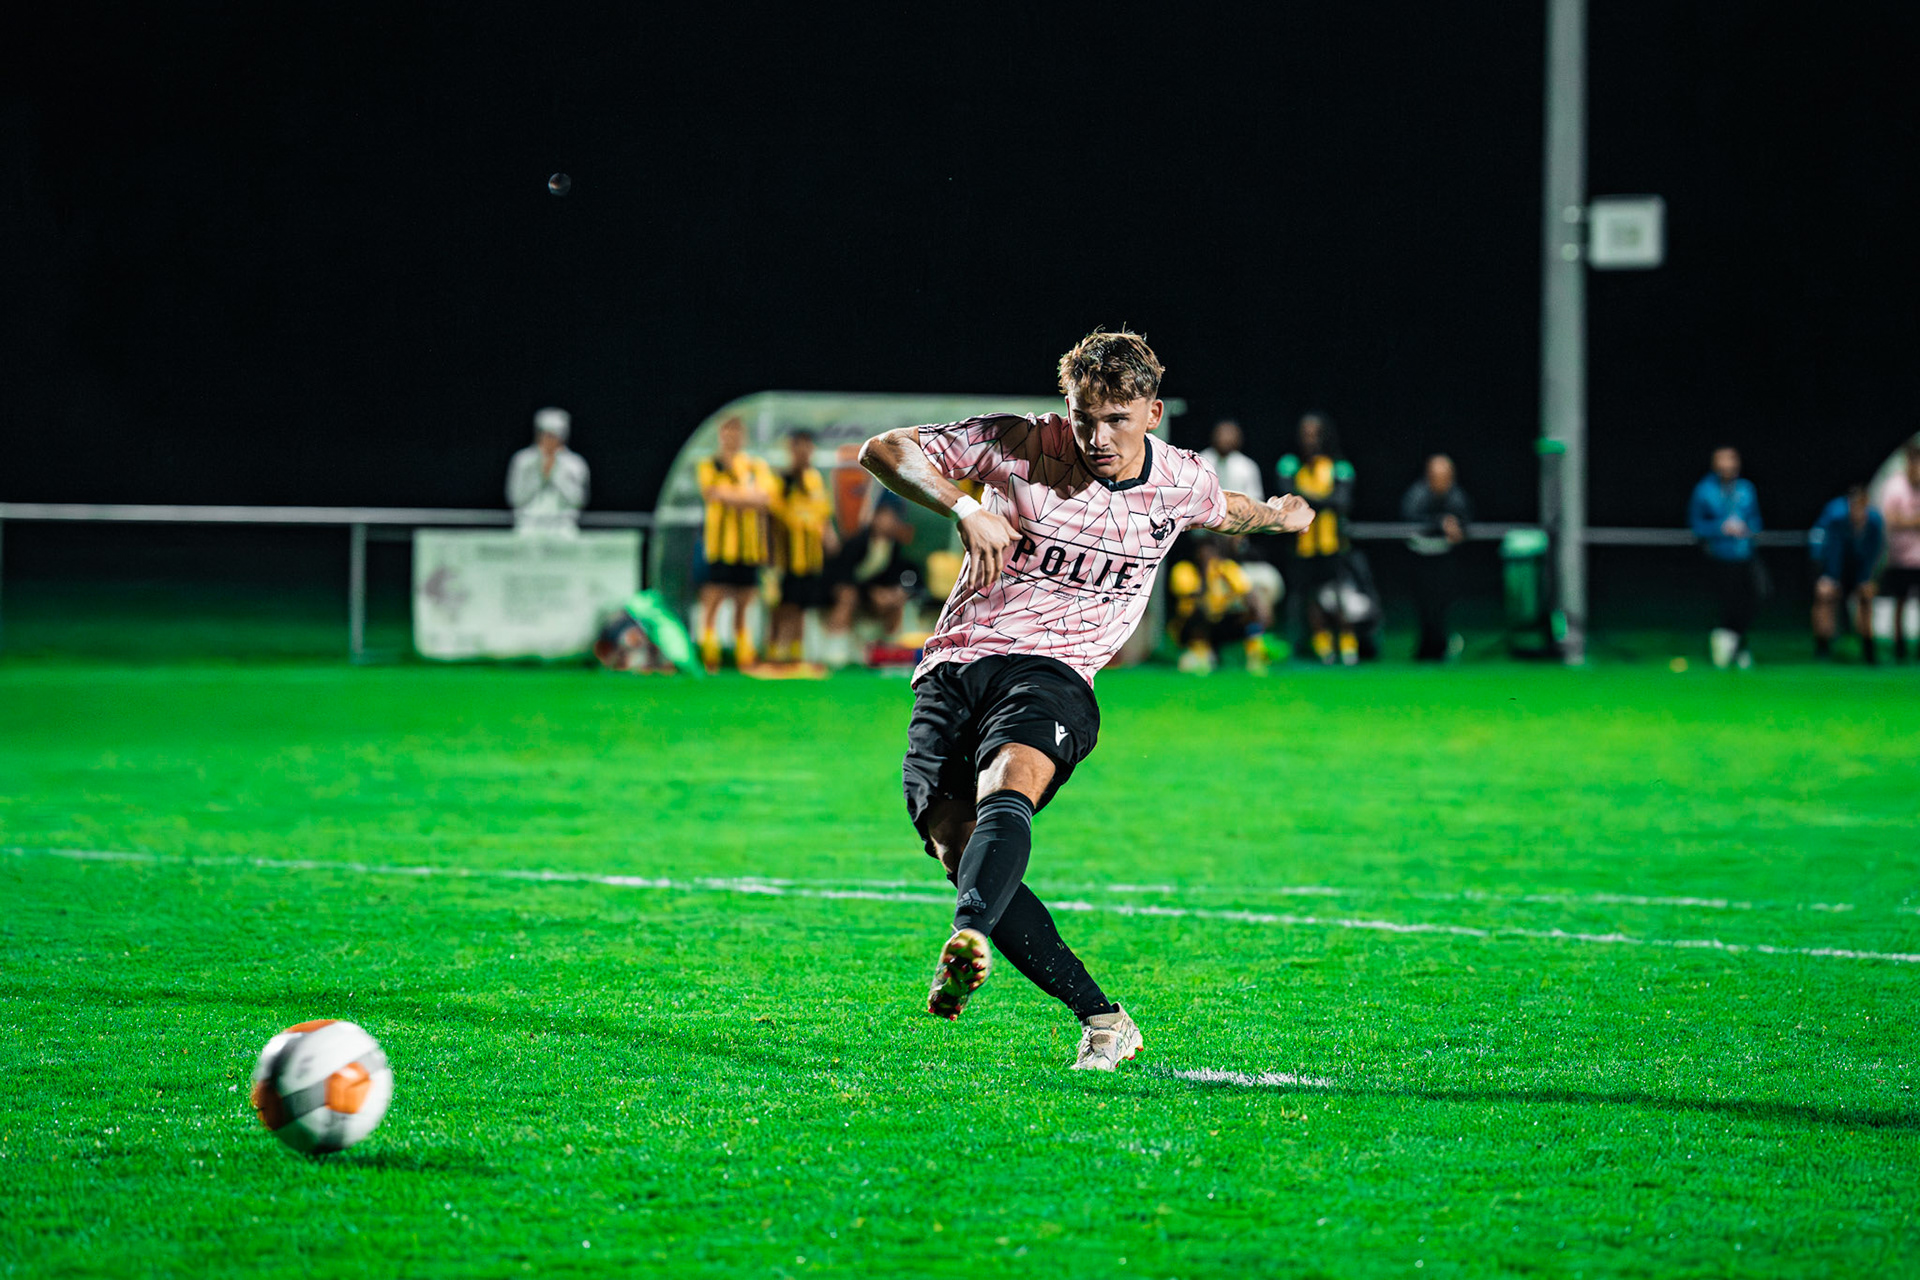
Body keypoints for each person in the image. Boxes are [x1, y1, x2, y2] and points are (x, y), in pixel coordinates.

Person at [856, 329, 1313, 1071]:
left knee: (1009, 782)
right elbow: (883, 449)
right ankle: (1103, 1019)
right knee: (954, 842)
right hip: (956, 663)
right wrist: (963, 508)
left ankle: (968, 935)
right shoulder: (1016, 442)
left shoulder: (1178, 479)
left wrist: (1281, 515)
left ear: (1153, 414)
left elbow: (1225, 508)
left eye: (1116, 421)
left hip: (1057, 671)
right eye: (1084, 418)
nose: (1097, 438)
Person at [694, 416, 775, 672]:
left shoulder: (755, 466)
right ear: (721, 435)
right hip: (720, 546)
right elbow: (713, 494)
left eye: (737, 432)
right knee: (713, 599)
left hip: (749, 547)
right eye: (728, 431)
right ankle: (709, 654)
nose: (732, 437)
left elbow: (766, 498)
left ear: (743, 436)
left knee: (744, 602)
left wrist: (732, 497)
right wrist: (747, 498)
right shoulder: (709, 465)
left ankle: (743, 656)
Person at [1276, 412, 1356, 663]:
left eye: (1315, 434)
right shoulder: (1289, 464)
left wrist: (1307, 501)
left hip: (1333, 545)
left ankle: (1347, 644)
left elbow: (1342, 501)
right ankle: (1312, 646)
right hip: (1301, 545)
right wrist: (1322, 501)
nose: (1310, 439)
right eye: (1305, 434)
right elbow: (1287, 498)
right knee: (1303, 598)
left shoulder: (1339, 466)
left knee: (1339, 596)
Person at [768, 430, 839, 669]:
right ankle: (776, 651)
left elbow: (822, 512)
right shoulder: (782, 479)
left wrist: (828, 536)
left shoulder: (814, 479)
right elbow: (774, 513)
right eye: (800, 447)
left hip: (810, 555)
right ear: (791, 449)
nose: (805, 452)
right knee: (784, 604)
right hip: (786, 554)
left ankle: (796, 653)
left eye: (809, 447)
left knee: (802, 605)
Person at [1687, 446, 1762, 669]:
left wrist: (1747, 528)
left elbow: (1756, 520)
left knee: (1761, 593)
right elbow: (1696, 525)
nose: (1728, 466)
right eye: (1723, 462)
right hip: (1720, 555)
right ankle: (1736, 648)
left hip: (1746, 552)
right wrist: (1721, 528)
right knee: (1731, 602)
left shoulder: (1746, 489)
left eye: (1732, 461)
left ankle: (1729, 639)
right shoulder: (1704, 490)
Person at [1401, 454, 1473, 661]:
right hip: (1420, 557)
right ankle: (1425, 648)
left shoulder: (1457, 496)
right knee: (1423, 605)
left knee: (1443, 604)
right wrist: (1440, 523)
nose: (1441, 481)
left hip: (1444, 558)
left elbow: (1465, 519)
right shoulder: (1417, 494)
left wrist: (1457, 527)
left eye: (1445, 476)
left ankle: (1441, 646)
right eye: (1436, 475)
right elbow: (1409, 518)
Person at [824, 496, 921, 647]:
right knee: (847, 598)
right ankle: (835, 647)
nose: (889, 521)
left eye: (894, 517)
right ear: (875, 516)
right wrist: (870, 591)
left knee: (896, 603)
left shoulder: (894, 546)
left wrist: (889, 593)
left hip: (871, 590)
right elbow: (843, 573)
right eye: (885, 516)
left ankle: (889, 647)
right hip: (849, 586)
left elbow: (894, 574)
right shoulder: (858, 541)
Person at [1169, 536, 1270, 674]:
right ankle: (1200, 654)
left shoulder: (1226, 568)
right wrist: (1205, 575)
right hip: (1191, 626)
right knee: (1200, 612)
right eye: (1202, 552)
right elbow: (1195, 601)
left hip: (1220, 621)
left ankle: (1256, 655)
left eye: (1210, 552)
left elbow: (1247, 593)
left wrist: (1257, 609)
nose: (1206, 556)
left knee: (1251, 612)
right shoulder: (1184, 570)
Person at [1810, 485, 1885, 663]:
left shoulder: (1874, 522)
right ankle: (1822, 646)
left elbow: (1875, 553)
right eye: (1855, 506)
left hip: (1859, 568)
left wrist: (1866, 579)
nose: (1858, 512)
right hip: (1832, 565)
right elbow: (1832, 551)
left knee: (1866, 595)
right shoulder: (1835, 517)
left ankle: (1868, 649)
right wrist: (1831, 577)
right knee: (1825, 594)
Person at [505, 407, 590, 535]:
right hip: (528, 527)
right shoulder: (523, 460)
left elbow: (578, 501)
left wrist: (555, 473)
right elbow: (516, 499)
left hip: (563, 528)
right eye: (546, 434)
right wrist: (541, 473)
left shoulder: (575, 464)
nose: (549, 440)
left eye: (555, 436)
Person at [1876, 443, 1920, 661]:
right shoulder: (1895, 486)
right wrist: (1914, 522)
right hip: (1899, 558)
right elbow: (1889, 519)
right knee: (1900, 603)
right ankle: (1899, 649)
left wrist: (1906, 520)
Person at [1199, 419, 1264, 501]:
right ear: (1213, 436)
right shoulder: (1199, 461)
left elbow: (1256, 499)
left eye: (1230, 434)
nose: (1225, 439)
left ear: (1238, 439)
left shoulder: (1247, 466)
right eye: (1222, 434)